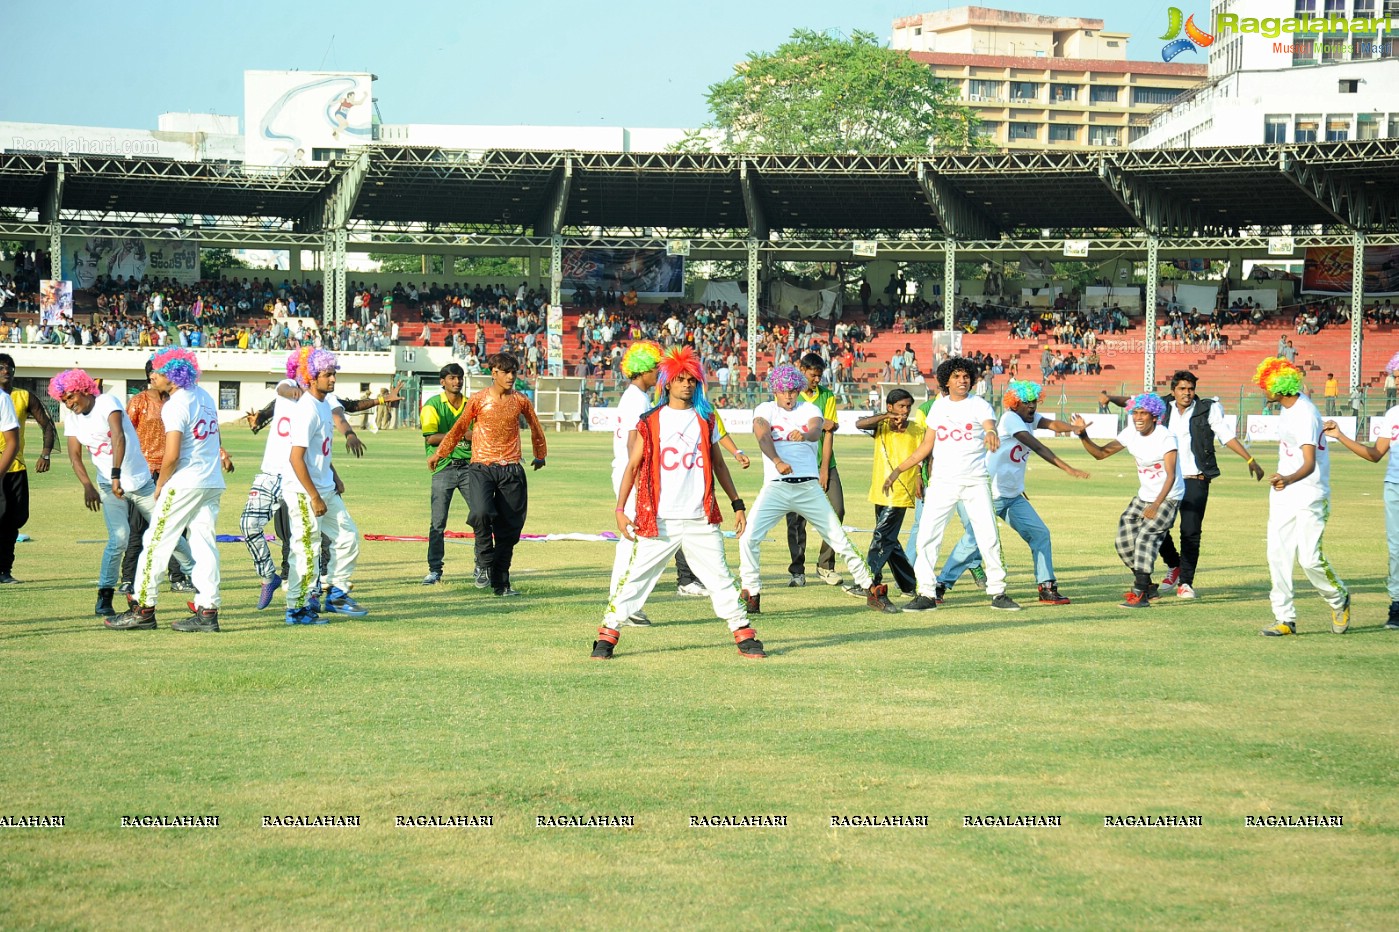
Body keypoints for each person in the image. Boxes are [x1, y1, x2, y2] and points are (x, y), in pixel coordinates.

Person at [593, 347, 764, 658]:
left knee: (721, 578)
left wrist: (737, 503)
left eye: (691, 379)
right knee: (635, 579)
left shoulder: (705, 419)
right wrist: (620, 510)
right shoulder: (650, 420)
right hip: (659, 521)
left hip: (700, 519)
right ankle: (607, 635)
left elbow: (719, 466)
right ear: (667, 383)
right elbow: (632, 466)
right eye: (680, 379)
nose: (686, 384)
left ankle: (743, 633)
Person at [738, 364, 897, 614]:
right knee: (749, 538)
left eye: (793, 390)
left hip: (808, 488)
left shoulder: (810, 408)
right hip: (776, 488)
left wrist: (805, 434)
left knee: (839, 539)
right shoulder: (765, 409)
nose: (789, 396)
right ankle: (751, 593)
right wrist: (777, 461)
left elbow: (814, 430)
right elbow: (762, 435)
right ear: (775, 391)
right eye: (784, 391)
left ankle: (871, 589)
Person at [1101, 372, 1264, 598]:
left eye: (1191, 389)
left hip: (1195, 477)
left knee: (1190, 531)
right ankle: (1174, 564)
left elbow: (1225, 436)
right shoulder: (1162, 405)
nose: (1187, 393)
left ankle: (1186, 582)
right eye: (1182, 389)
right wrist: (1110, 398)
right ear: (1174, 390)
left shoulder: (1207, 408)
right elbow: (1133, 401)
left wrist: (1249, 459)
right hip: (1168, 480)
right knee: (1156, 525)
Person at [50, 369, 194, 620]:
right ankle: (104, 595)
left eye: (71, 397)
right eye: (64, 400)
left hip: (138, 482)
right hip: (108, 486)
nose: (69, 404)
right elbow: (74, 455)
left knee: (166, 529)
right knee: (119, 539)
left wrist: (116, 474)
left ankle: (199, 575)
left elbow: (118, 437)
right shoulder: (72, 417)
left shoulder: (107, 402)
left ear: (84, 389)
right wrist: (87, 485)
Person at [884, 358, 1021, 613]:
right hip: (942, 483)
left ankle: (998, 591)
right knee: (927, 537)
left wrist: (990, 432)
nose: (963, 380)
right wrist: (898, 470)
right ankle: (926, 593)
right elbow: (927, 446)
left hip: (975, 481)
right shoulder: (938, 408)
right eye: (957, 376)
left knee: (988, 535)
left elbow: (988, 425)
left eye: (966, 376)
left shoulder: (979, 404)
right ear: (946, 381)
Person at [936, 380, 1089, 606]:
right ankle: (940, 585)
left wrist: (1074, 429)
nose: (1032, 406)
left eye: (1034, 401)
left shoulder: (1028, 417)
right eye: (1026, 402)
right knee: (974, 541)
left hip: (1013, 495)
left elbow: (1052, 424)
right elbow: (1037, 446)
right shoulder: (1010, 419)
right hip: (991, 493)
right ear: (1014, 403)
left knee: (1039, 534)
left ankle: (1046, 587)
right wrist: (1068, 468)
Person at [106, 349, 225, 633]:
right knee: (204, 545)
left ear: (172, 376)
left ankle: (144, 608)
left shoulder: (175, 404)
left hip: (185, 481)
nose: (152, 376)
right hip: (211, 481)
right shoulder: (204, 396)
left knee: (156, 543)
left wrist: (161, 485)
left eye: (157, 372)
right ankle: (208, 610)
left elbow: (171, 455)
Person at [429, 353, 547, 597]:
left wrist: (540, 453)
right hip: (481, 466)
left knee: (510, 529)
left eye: (514, 372)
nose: (511, 377)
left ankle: (501, 583)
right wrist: (440, 454)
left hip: (512, 469)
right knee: (481, 512)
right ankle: (483, 563)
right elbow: (459, 428)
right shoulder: (479, 399)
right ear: (493, 372)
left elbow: (535, 425)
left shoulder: (521, 400)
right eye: (505, 372)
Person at [1254, 357, 1350, 636]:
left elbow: (1309, 464)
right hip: (1284, 492)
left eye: (1266, 385)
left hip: (1310, 491)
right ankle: (1285, 618)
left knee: (1308, 558)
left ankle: (1338, 598)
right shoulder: (1287, 409)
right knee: (1278, 554)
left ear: (1279, 387)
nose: (1264, 390)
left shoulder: (1304, 413)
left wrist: (1287, 478)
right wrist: (1283, 481)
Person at [1071, 394, 1183, 609]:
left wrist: (1156, 505)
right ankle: (1148, 585)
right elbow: (1101, 454)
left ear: (1154, 415)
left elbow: (1171, 476)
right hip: (1144, 496)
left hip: (1167, 497)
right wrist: (1082, 434)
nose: (1138, 417)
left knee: (1145, 539)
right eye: (1135, 413)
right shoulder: (1131, 432)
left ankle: (1140, 592)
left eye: (1143, 413)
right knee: (1123, 542)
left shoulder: (1165, 437)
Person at [281, 349, 368, 624]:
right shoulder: (305, 409)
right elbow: (296, 458)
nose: (332, 379)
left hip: (325, 487)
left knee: (347, 536)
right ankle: (297, 609)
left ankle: (337, 593)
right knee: (307, 549)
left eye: (334, 373)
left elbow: (319, 452)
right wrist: (314, 496)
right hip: (304, 491)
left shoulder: (324, 404)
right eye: (327, 375)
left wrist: (333, 474)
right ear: (311, 376)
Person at [1324, 351, 1399, 629]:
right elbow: (1375, 454)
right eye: (1396, 378)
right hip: (1395, 487)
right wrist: (1340, 436)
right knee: (1396, 551)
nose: (1397, 383)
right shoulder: (1393, 414)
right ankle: (1397, 606)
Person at [606, 341, 665, 624]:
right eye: (655, 368)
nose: (659, 373)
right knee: (632, 540)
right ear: (642, 370)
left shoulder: (636, 396)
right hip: (632, 474)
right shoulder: (637, 400)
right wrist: (642, 478)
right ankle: (622, 604)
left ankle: (625, 602)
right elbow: (633, 441)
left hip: (630, 473)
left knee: (635, 540)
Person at [854, 389, 923, 610]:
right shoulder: (881, 426)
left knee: (882, 536)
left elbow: (922, 457)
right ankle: (908, 583)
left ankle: (869, 580)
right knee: (890, 540)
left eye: (908, 407)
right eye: (901, 407)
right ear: (890, 407)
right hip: (880, 490)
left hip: (901, 490)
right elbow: (859, 424)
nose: (905, 411)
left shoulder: (917, 430)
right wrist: (885, 417)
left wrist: (920, 478)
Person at [785, 353, 845, 587]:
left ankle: (825, 565)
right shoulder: (788, 396)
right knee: (796, 520)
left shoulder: (827, 396)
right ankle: (797, 571)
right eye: (812, 375)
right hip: (796, 466)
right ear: (801, 370)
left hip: (824, 463)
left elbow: (829, 431)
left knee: (837, 510)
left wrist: (824, 469)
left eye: (819, 376)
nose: (816, 380)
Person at [421, 363, 484, 587]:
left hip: (470, 467)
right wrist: (462, 434)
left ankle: (481, 566)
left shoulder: (471, 404)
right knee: (438, 522)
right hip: (443, 467)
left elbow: (479, 433)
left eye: (459, 378)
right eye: (451, 378)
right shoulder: (432, 405)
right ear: (442, 381)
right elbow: (431, 438)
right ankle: (434, 570)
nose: (456, 382)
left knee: (481, 516)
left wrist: (468, 435)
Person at [0, 352, 57, 584]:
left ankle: (5, 570)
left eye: (9, 367)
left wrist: (45, 454)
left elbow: (48, 425)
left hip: (14, 468)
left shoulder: (24, 396)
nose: (5, 370)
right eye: (1, 367)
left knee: (14, 520)